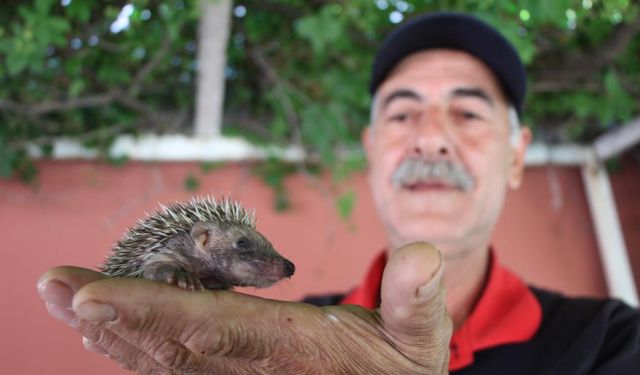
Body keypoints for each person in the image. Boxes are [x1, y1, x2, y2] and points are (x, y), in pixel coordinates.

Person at [37, 12, 639, 374]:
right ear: (371, 149)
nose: (431, 139)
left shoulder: (613, 342)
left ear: (517, 156)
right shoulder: (274, 333)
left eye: (468, 113)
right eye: (403, 115)